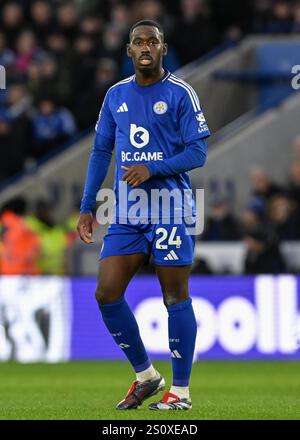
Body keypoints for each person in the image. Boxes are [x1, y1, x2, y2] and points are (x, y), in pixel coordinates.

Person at [77, 20, 210, 411]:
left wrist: (154, 169)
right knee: (106, 293)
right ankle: (146, 376)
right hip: (128, 212)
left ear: (163, 48)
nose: (146, 46)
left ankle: (181, 394)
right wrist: (87, 207)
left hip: (170, 208)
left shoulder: (181, 93)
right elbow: (101, 152)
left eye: (153, 40)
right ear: (129, 51)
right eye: (139, 42)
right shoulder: (115, 95)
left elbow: (198, 153)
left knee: (174, 295)